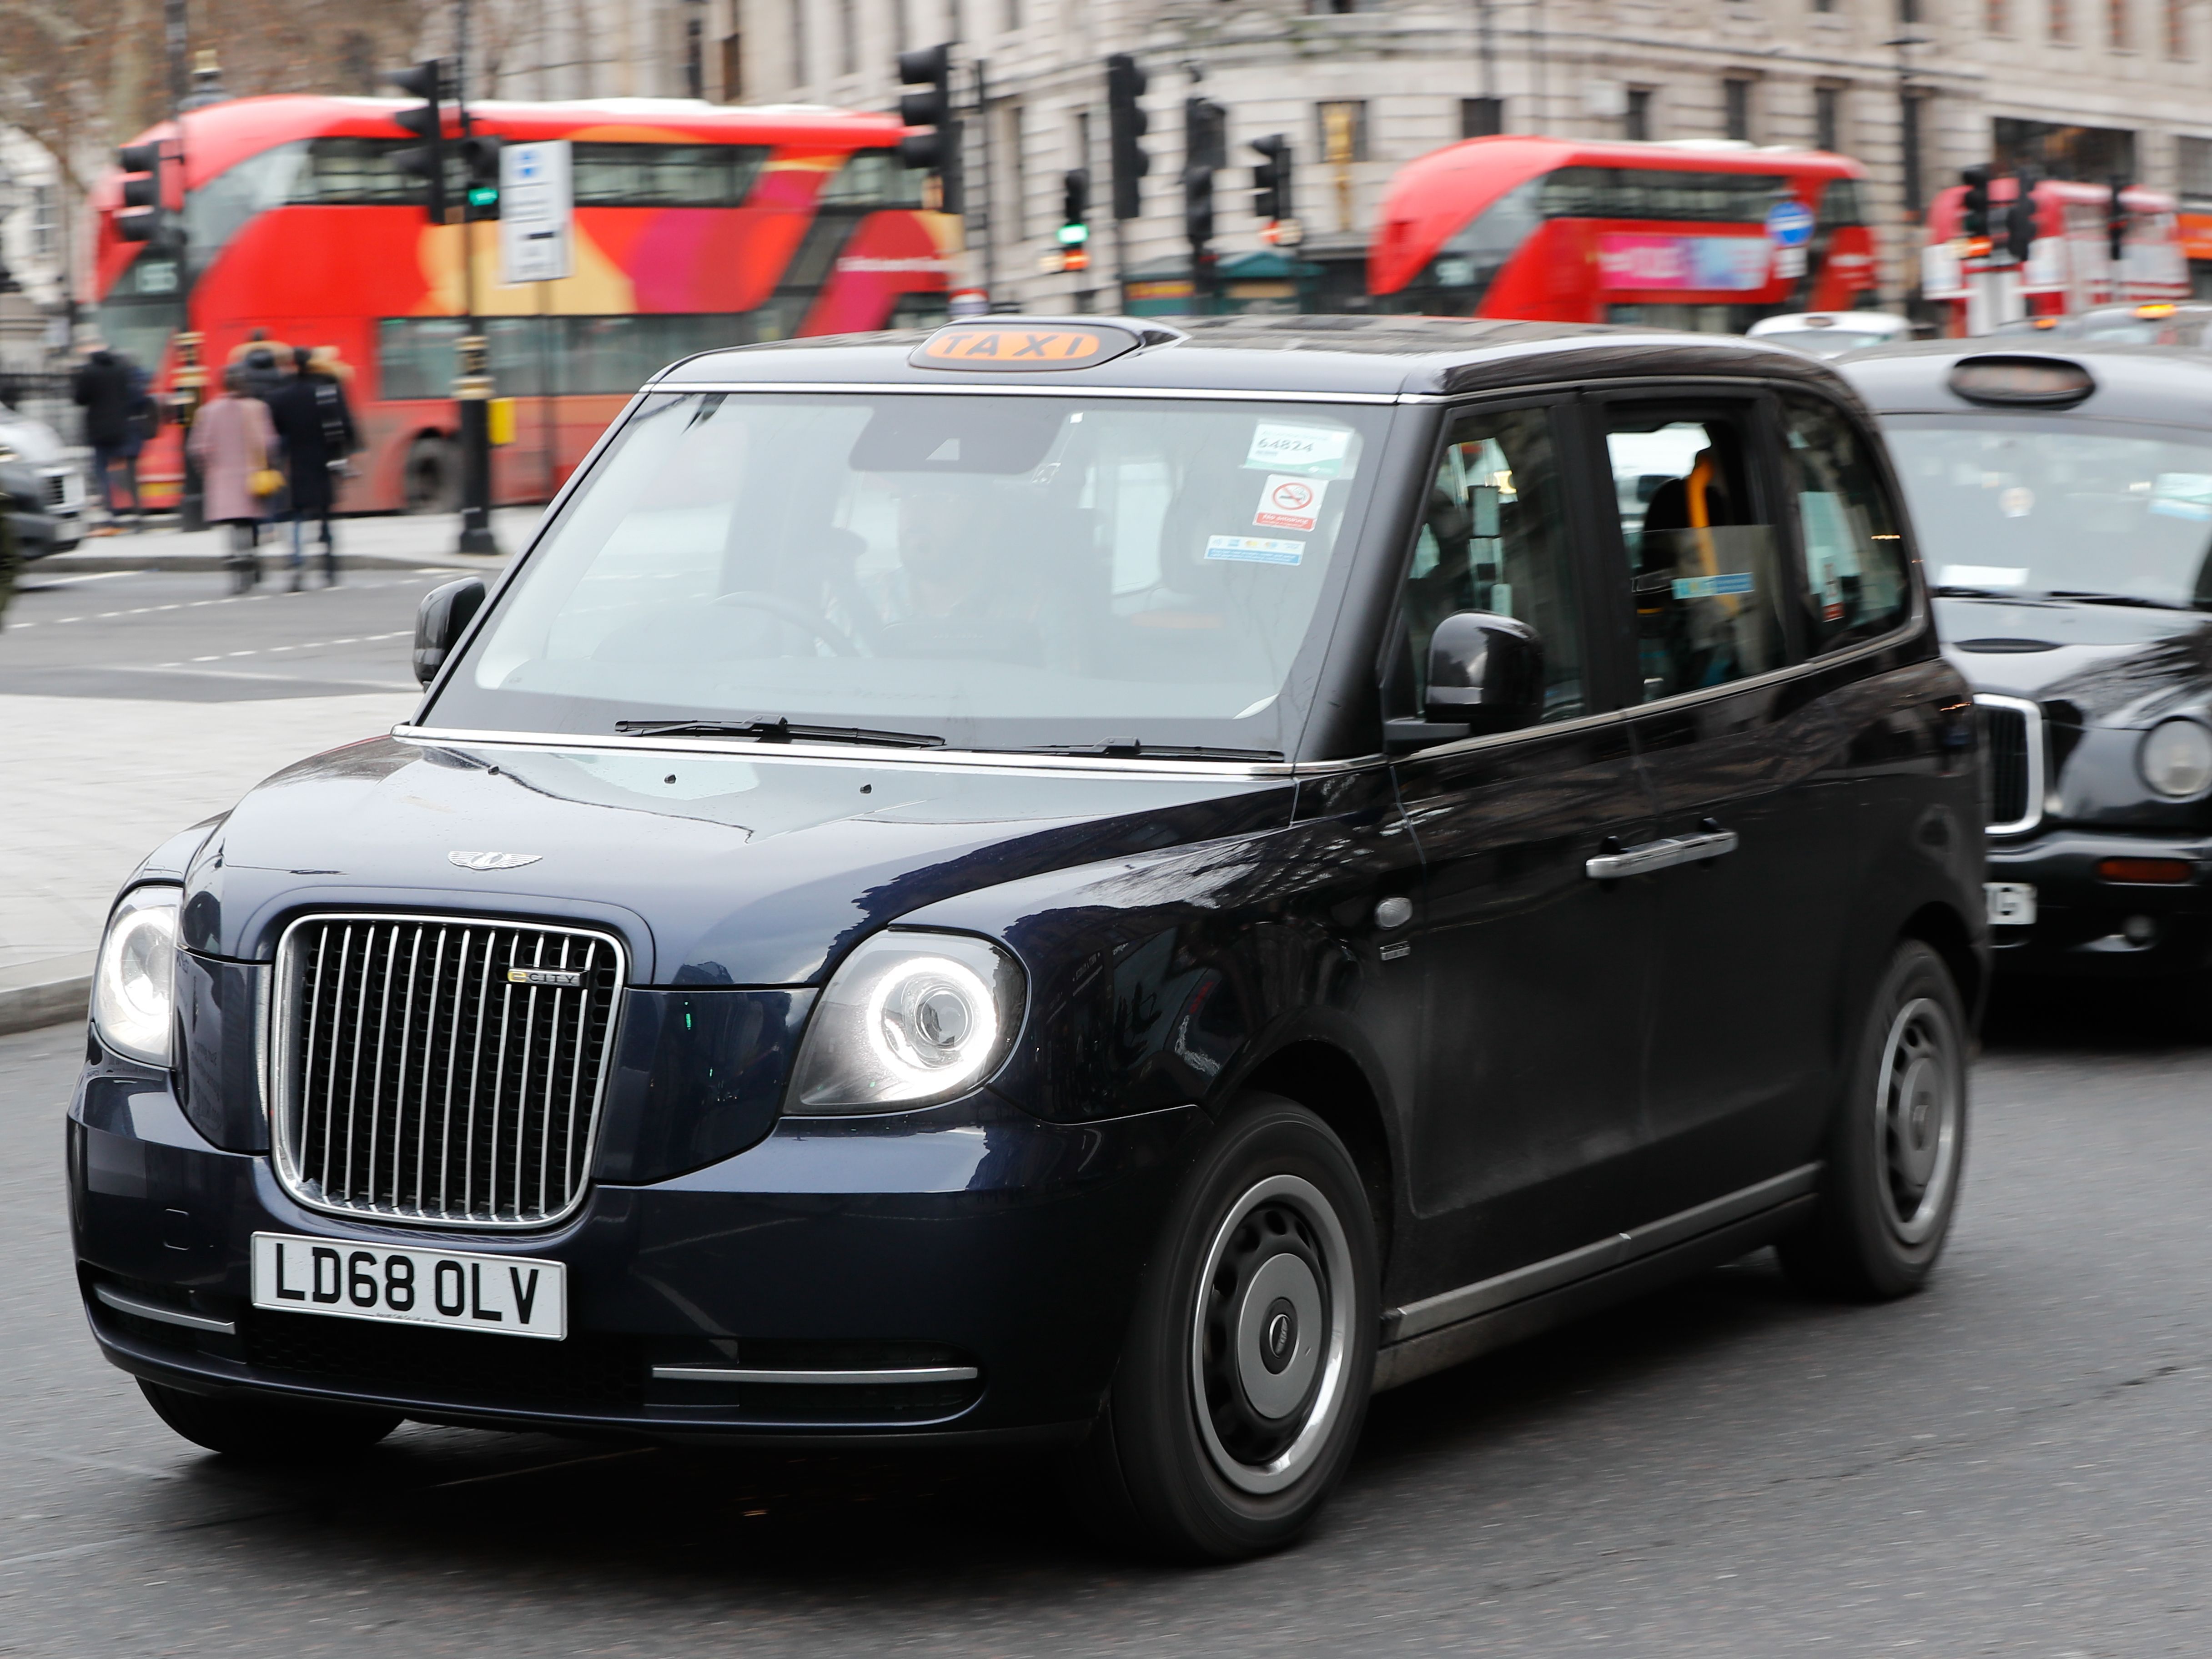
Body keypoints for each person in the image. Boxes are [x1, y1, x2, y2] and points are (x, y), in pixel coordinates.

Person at [266, 345, 359, 588]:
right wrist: (346, 451)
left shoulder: (281, 396)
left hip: (295, 463)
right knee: (326, 514)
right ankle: (329, 566)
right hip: (324, 460)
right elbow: (345, 425)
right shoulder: (327, 391)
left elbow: (275, 431)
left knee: (297, 515)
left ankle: (297, 565)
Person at [189, 364, 280, 592]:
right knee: (249, 522)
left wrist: (207, 469)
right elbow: (268, 442)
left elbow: (199, 448)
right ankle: (253, 561)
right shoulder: (257, 408)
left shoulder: (209, 411)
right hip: (251, 475)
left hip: (221, 477)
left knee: (231, 524)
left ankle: (236, 569)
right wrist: (269, 462)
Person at [71, 342, 146, 533]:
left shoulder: (88, 372)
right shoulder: (121, 370)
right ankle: (138, 514)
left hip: (99, 430)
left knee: (102, 472)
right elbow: (132, 397)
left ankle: (112, 516)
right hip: (122, 428)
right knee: (129, 473)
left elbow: (80, 399)